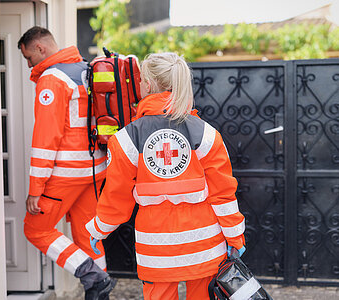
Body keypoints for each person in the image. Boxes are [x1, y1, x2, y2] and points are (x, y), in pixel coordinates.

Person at [85, 52, 246, 300]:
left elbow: (116, 197)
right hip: (204, 245)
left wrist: (98, 230)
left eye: (140, 81)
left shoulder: (126, 139)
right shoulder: (206, 134)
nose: (138, 85)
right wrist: (235, 237)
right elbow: (223, 194)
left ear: (148, 86)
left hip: (157, 248)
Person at [18, 26, 115, 299]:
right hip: (95, 169)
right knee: (88, 236)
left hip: (66, 173)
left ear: (40, 48)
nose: (28, 65)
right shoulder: (87, 70)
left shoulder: (52, 79)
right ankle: (100, 291)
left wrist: (35, 188)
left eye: (28, 57)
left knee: (35, 229)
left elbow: (46, 139)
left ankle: (93, 277)